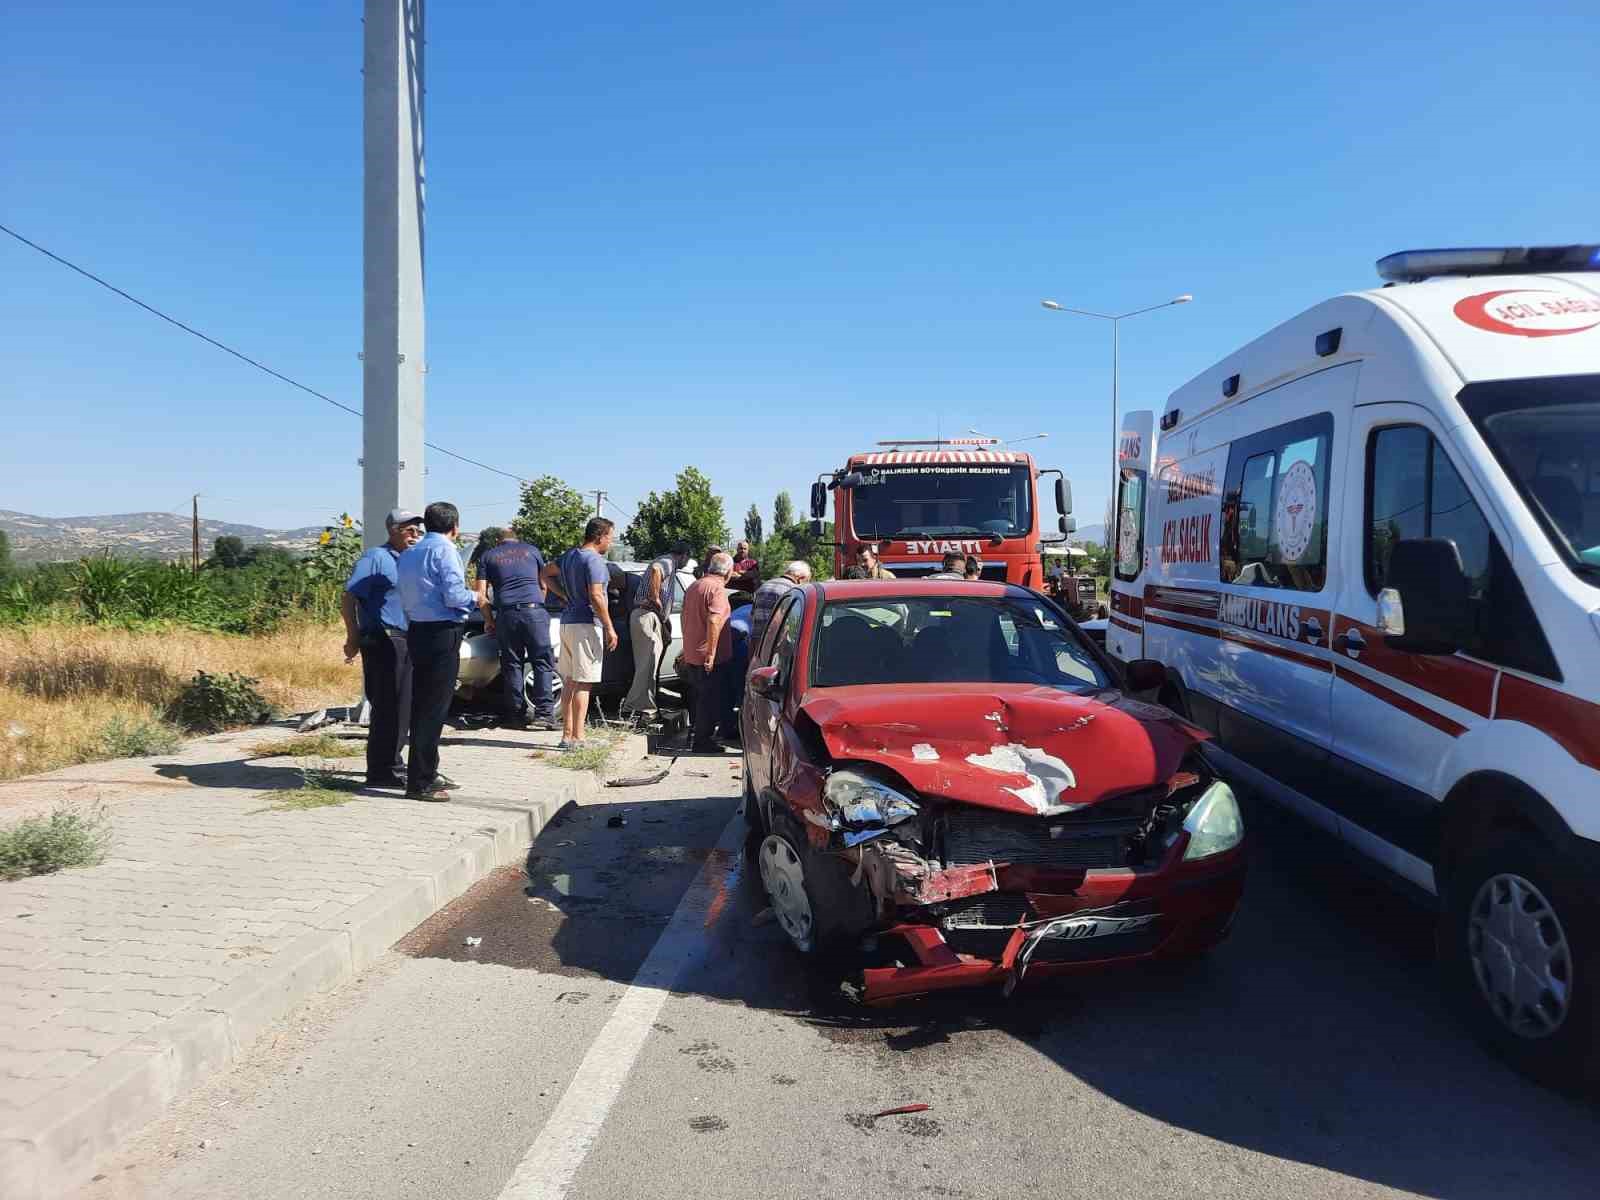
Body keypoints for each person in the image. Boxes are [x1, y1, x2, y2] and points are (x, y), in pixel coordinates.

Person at [397, 501, 475, 801]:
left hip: (417, 630)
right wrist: (476, 597)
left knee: (423, 704)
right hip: (442, 631)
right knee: (434, 708)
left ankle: (427, 771)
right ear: (455, 526)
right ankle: (421, 781)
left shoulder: (410, 553)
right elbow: (454, 596)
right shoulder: (445, 550)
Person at [341, 508, 422, 788]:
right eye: (409, 530)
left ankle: (393, 764)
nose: (415, 535)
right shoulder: (376, 557)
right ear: (393, 531)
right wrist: (353, 636)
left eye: (418, 530)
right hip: (384, 639)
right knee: (388, 706)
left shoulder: (409, 561)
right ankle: (382, 771)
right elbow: (349, 597)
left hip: (406, 639)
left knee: (403, 707)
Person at [475, 526, 557, 732]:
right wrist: (537, 606)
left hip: (507, 614)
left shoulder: (488, 556)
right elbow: (544, 585)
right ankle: (545, 714)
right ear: (517, 539)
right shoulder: (532, 551)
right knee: (542, 662)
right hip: (534, 612)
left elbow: (481, 595)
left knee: (512, 664)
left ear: (498, 541)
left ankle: (516, 716)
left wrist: (489, 620)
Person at [552, 518, 619, 749]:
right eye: (610, 537)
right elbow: (597, 595)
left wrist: (564, 595)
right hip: (586, 625)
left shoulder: (569, 556)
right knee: (584, 683)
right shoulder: (594, 560)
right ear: (600, 536)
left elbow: (545, 573)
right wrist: (609, 626)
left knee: (570, 681)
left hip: (567, 622)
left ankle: (566, 736)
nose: (611, 542)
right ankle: (579, 738)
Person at [621, 540, 691, 722]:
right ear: (683, 555)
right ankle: (639, 708)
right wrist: (655, 597)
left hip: (651, 617)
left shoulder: (668, 563)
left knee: (648, 667)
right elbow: (656, 570)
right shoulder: (668, 561)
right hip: (647, 615)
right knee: (647, 666)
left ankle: (642, 708)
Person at [680, 551, 733, 753]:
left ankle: (698, 735)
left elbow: (685, 617)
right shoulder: (717, 589)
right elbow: (714, 620)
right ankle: (702, 740)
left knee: (700, 697)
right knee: (709, 700)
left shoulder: (695, 585)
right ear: (728, 572)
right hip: (708, 657)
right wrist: (711, 654)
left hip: (693, 653)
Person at [748, 560, 810, 652]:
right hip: (775, 649)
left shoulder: (764, 586)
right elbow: (794, 625)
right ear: (801, 578)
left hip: (755, 646)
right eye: (806, 581)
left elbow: (752, 616)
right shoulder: (793, 591)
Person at [717, 600, 752, 742]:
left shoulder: (740, 610)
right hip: (739, 643)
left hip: (723, 641)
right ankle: (743, 728)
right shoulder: (755, 610)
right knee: (742, 689)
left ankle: (725, 728)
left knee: (726, 689)